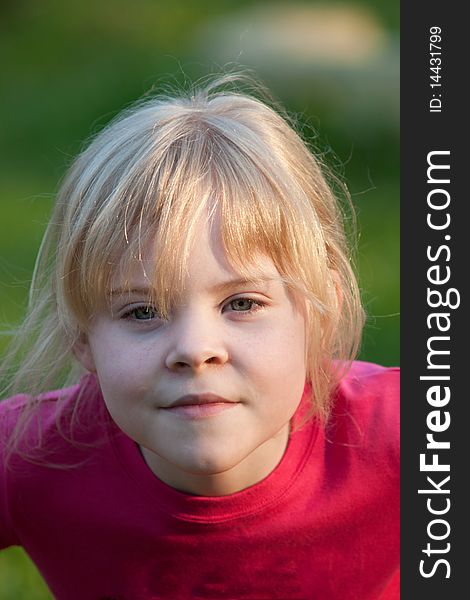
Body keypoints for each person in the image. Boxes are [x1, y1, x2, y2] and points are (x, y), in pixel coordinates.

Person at [0, 75, 399, 600]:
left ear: (320, 313)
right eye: (142, 311)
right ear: (82, 336)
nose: (194, 349)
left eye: (242, 304)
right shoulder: (32, 455)